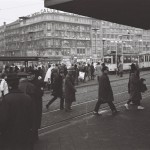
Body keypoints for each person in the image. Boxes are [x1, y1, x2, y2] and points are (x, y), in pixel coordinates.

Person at [0, 73, 34, 150]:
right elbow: (32, 116)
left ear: (9, 86)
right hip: (25, 132)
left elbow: (3, 119)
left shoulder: (6, 99)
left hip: (11, 134)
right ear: (18, 84)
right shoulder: (27, 97)